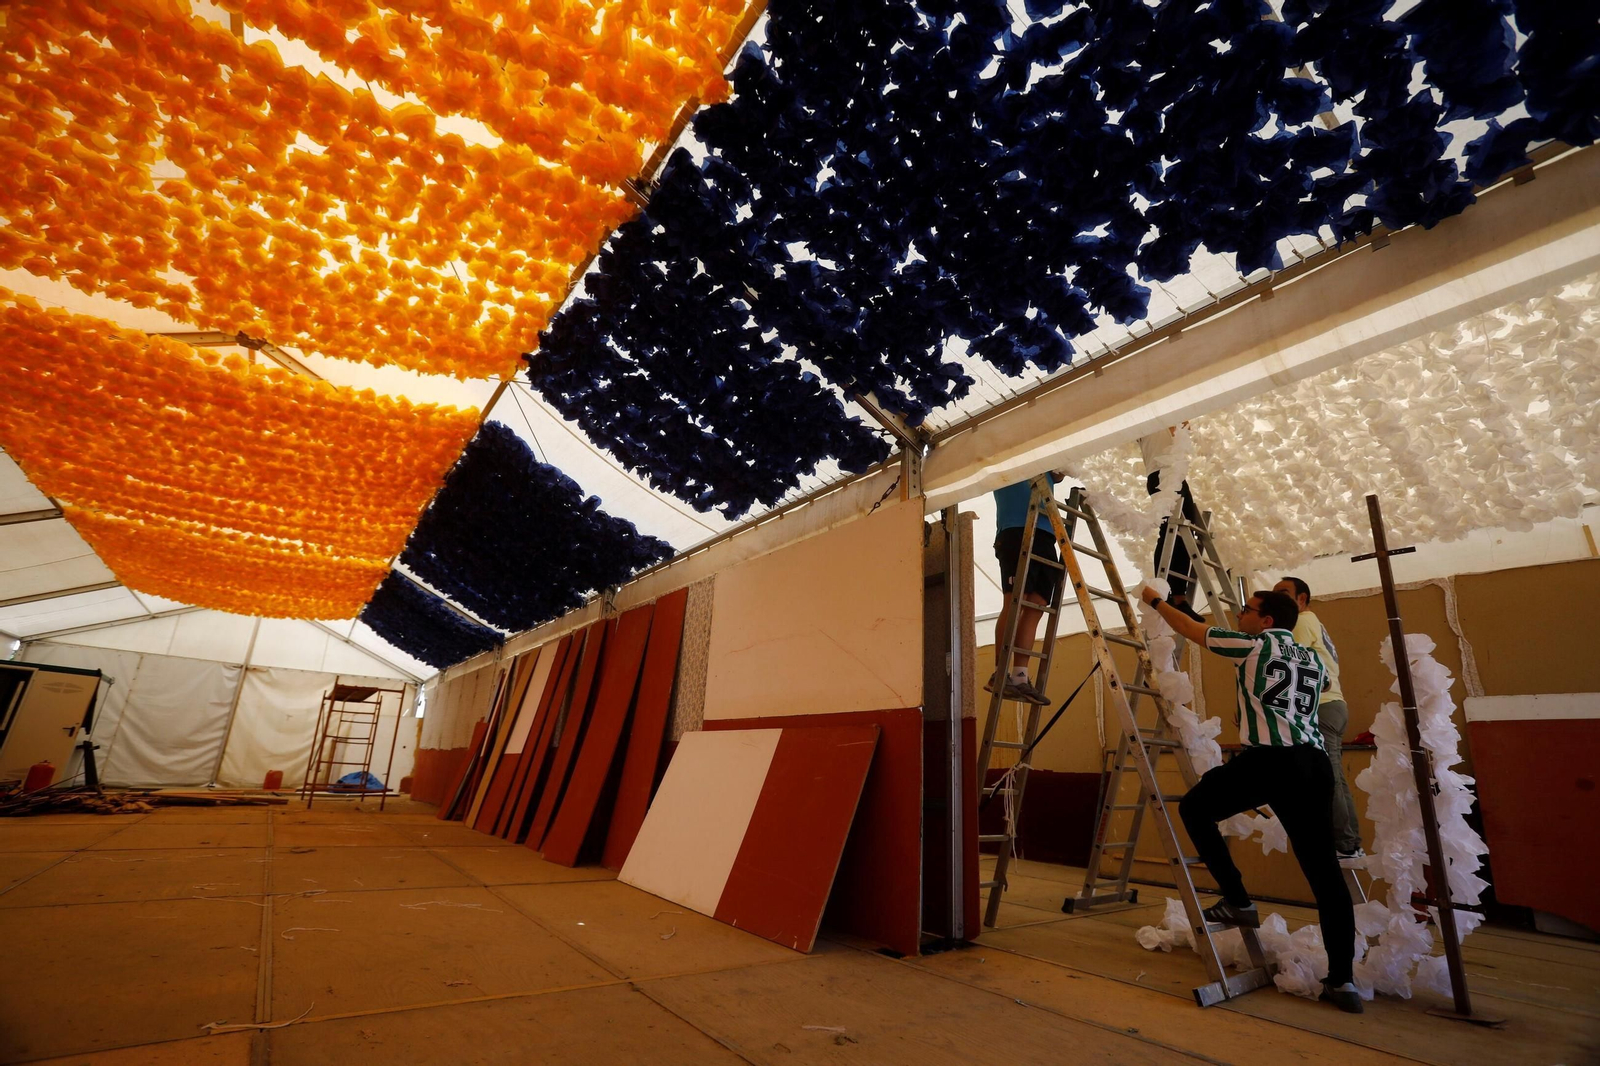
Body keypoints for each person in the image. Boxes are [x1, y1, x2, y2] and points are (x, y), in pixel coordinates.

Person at [1138, 584, 1362, 1013]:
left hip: (1272, 759)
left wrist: (1155, 601)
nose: (1240, 615)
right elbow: (1317, 690)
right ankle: (1343, 980)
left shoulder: (1254, 645)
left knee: (1194, 808)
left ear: (1267, 621)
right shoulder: (1312, 658)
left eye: (1247, 610)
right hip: (1314, 765)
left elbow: (1192, 629)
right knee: (1324, 872)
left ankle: (1238, 900)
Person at [1274, 576, 1364, 864]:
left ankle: (1345, 844)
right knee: (1333, 775)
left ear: (1302, 599)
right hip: (1331, 706)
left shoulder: (1300, 623)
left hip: (1322, 706)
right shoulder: (1313, 622)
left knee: (1329, 777)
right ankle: (1348, 842)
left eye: (1283, 593)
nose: (1278, 598)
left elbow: (1290, 663)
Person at [987, 473, 1063, 706]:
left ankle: (1020, 676)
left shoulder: (1045, 457)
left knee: (1037, 605)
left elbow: (1058, 475)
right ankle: (1000, 674)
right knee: (1016, 600)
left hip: (1046, 531)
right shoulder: (1005, 451)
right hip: (1015, 528)